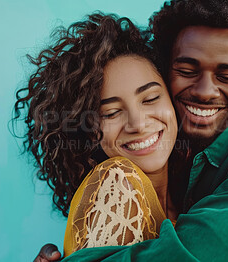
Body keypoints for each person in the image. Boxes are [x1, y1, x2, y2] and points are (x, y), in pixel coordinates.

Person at [36, 0, 228, 261]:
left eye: (227, 76)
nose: (204, 92)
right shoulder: (121, 185)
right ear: (167, 74)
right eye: (188, 70)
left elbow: (201, 249)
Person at [12, 13, 181, 261]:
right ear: (88, 129)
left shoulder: (195, 188)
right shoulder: (118, 183)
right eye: (111, 113)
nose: (137, 123)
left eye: (150, 98)